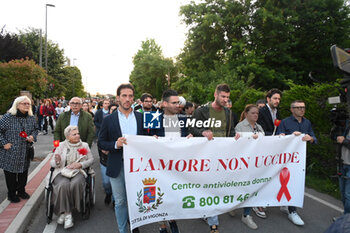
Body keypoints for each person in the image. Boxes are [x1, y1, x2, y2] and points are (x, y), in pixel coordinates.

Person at [190, 83, 240, 233]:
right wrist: (203, 132)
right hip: (205, 156)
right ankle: (213, 221)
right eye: (223, 96)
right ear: (215, 94)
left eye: (227, 97)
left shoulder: (229, 113)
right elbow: (191, 128)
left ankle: (208, 213)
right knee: (209, 187)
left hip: (223, 157)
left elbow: (230, 131)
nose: (225, 100)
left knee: (217, 186)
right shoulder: (201, 111)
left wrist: (235, 135)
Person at [98, 83, 148, 233]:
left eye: (130, 96)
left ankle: (135, 226)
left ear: (134, 98)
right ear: (118, 98)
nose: (127, 99)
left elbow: (147, 138)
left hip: (137, 166)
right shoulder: (108, 119)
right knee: (120, 201)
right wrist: (115, 144)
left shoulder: (141, 118)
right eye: (124, 96)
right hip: (117, 165)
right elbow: (101, 142)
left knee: (135, 199)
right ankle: (123, 230)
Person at [154, 89, 191, 233]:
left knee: (173, 194)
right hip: (159, 165)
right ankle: (162, 224)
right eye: (174, 103)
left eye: (178, 103)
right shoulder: (154, 119)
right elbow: (144, 138)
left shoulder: (183, 119)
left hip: (177, 165)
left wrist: (190, 138)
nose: (178, 105)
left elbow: (187, 136)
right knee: (160, 194)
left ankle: (172, 219)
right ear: (164, 104)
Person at [277, 100, 317, 226]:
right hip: (286, 160)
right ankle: (288, 207)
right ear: (292, 109)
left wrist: (310, 138)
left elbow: (314, 137)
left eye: (303, 107)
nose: (301, 109)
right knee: (285, 182)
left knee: (296, 183)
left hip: (300, 160)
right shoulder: (285, 122)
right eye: (298, 107)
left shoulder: (307, 122)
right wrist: (288, 136)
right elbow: (278, 137)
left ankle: (292, 210)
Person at [48, 125, 93, 229]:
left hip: (78, 171)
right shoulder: (61, 146)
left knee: (75, 184)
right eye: (74, 134)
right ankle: (68, 214)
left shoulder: (84, 146)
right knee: (63, 185)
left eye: (78, 134)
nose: (78, 136)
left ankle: (65, 212)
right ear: (68, 136)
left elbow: (90, 160)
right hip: (62, 171)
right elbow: (52, 163)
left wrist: (80, 165)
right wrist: (58, 161)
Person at [0, 96, 38, 203]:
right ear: (17, 104)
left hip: (25, 150)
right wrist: (4, 144)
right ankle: (11, 194)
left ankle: (21, 191)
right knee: (11, 174)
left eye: (28, 104)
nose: (27, 105)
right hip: (10, 151)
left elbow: (35, 129)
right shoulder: (8, 117)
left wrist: (32, 137)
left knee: (23, 172)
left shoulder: (31, 117)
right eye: (24, 103)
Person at [234, 104, 265, 229]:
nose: (255, 115)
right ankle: (234, 205)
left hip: (255, 163)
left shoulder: (259, 127)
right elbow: (236, 143)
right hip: (243, 163)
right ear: (246, 114)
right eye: (253, 113)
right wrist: (250, 138)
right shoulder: (240, 126)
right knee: (239, 187)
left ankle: (246, 215)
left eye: (257, 113)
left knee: (250, 188)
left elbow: (265, 141)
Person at [94, 99, 114, 206]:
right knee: (106, 182)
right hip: (105, 157)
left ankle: (115, 200)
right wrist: (103, 148)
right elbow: (100, 141)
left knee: (116, 182)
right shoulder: (102, 118)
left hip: (117, 157)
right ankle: (108, 193)